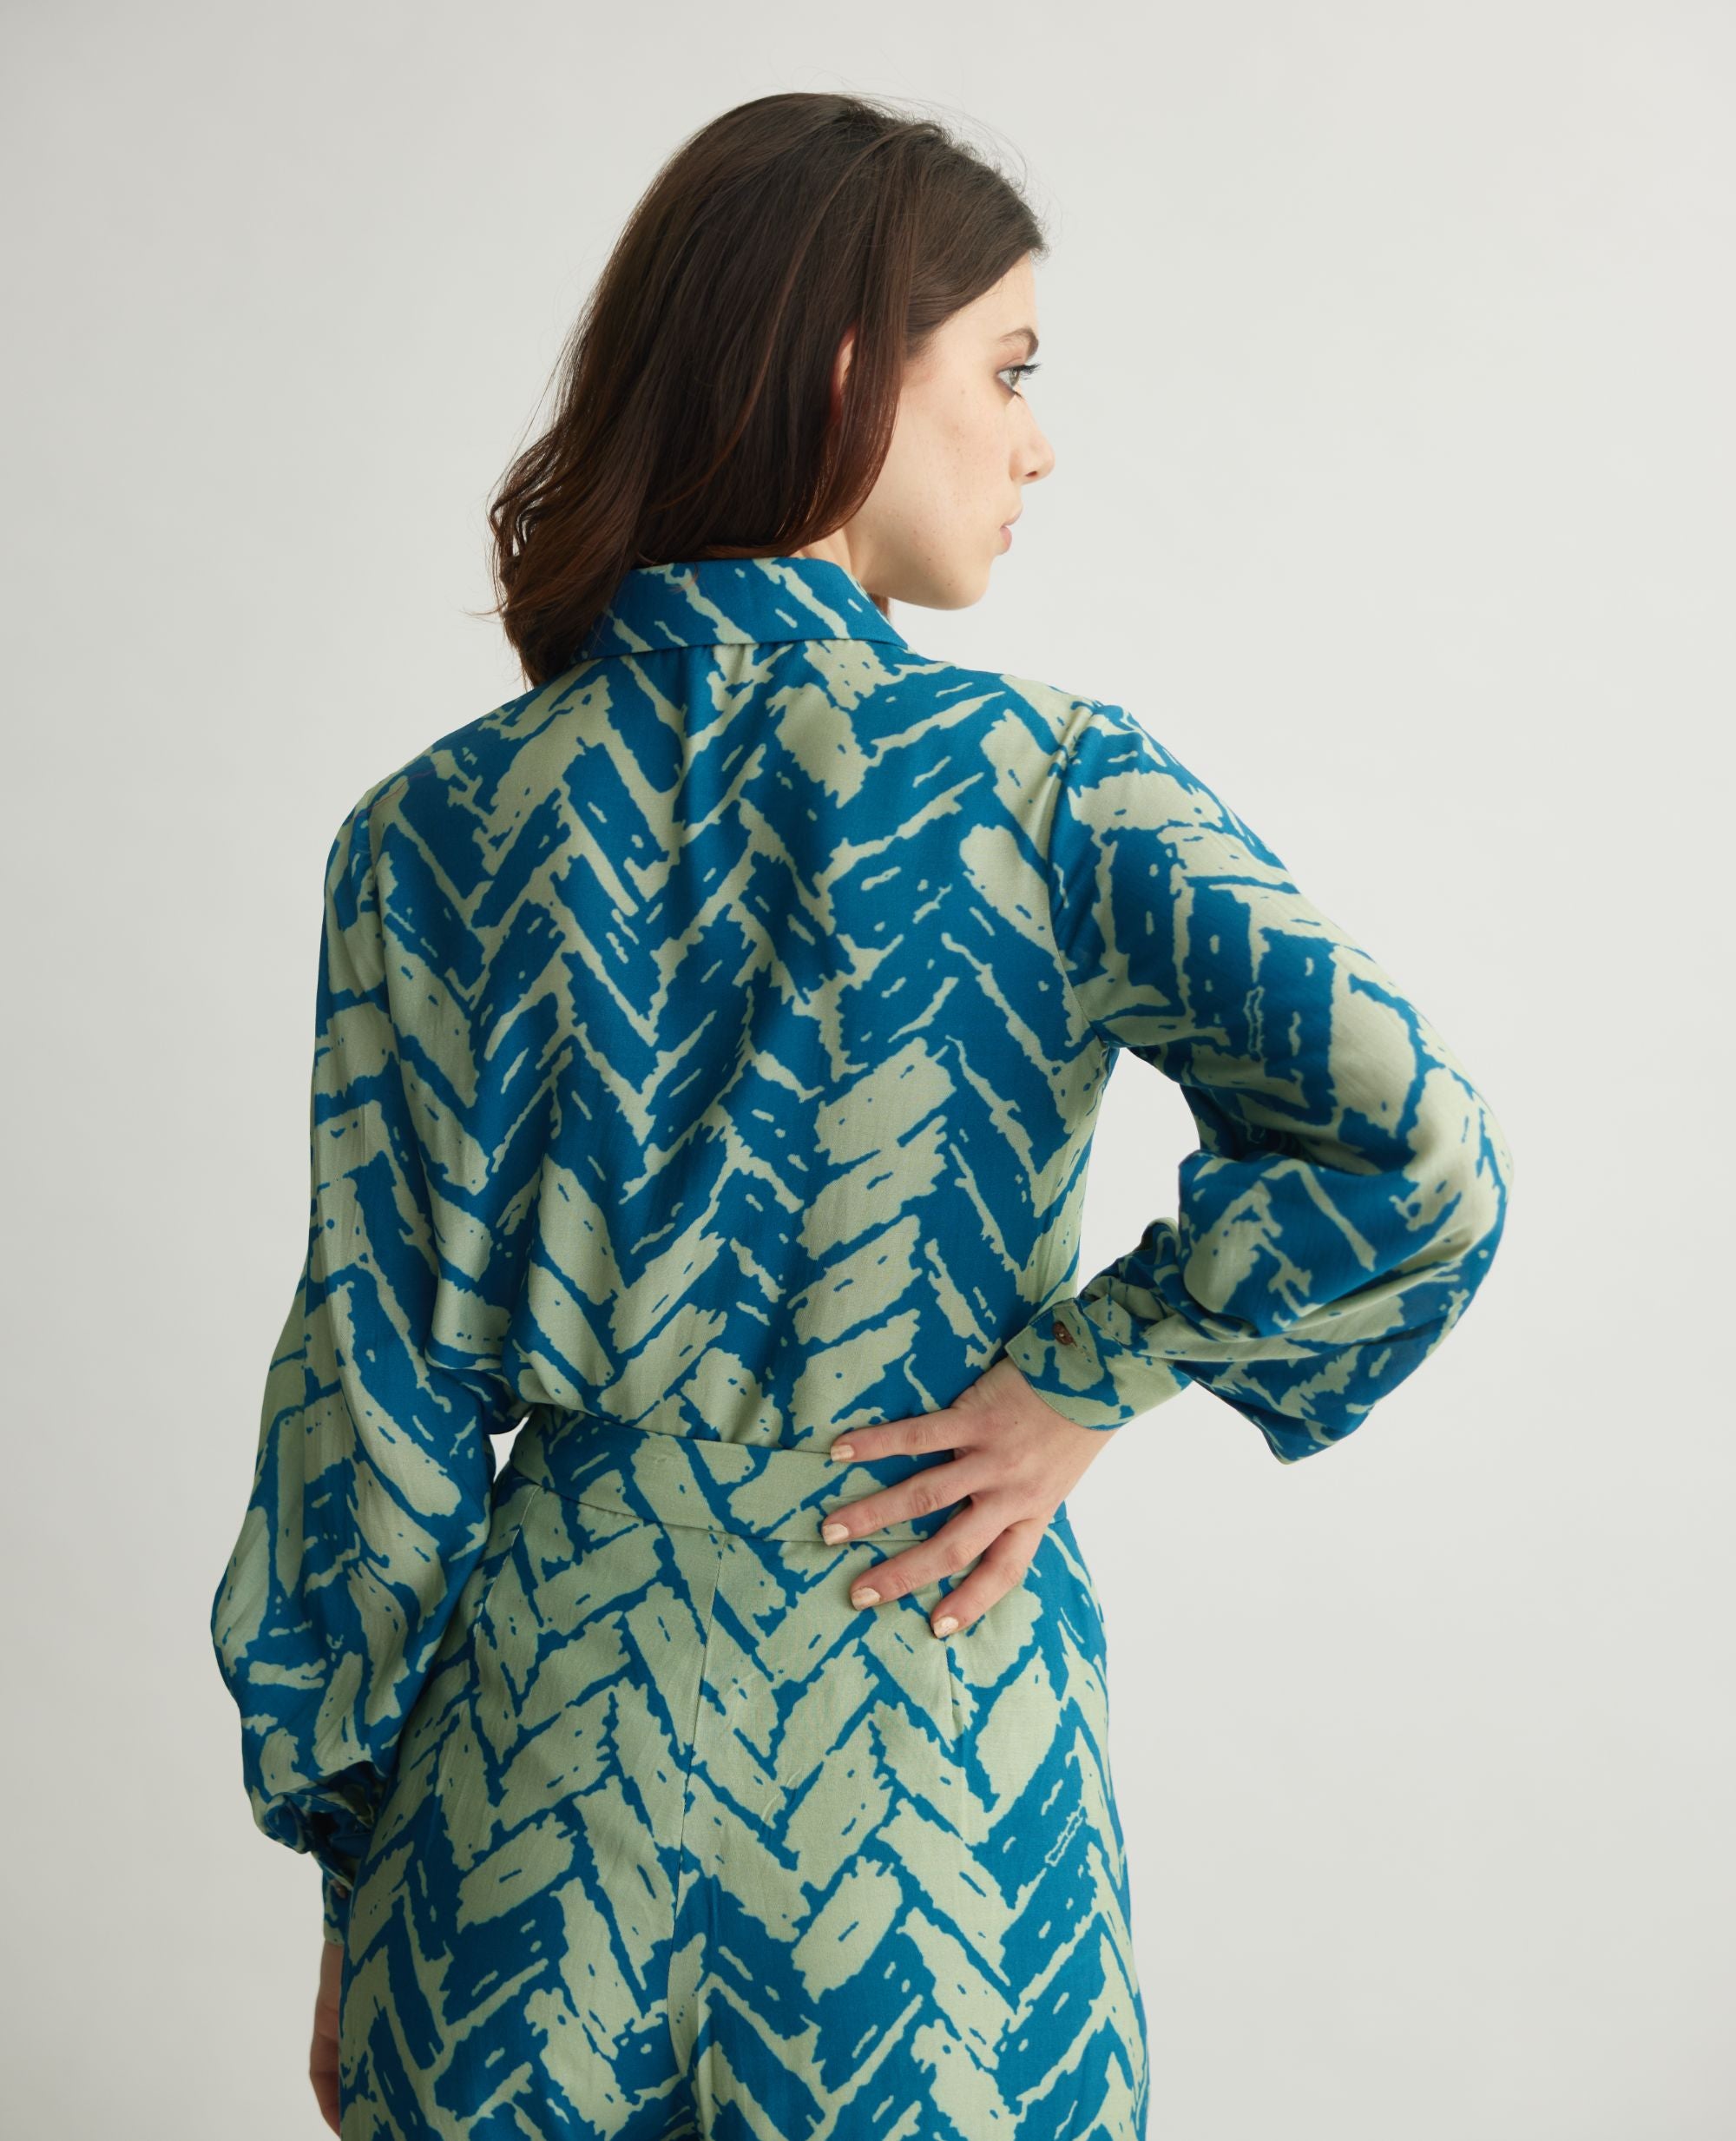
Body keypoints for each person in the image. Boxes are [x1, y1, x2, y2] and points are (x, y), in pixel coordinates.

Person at [208, 89, 1513, 2141]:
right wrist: (1084, 1381)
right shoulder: (1045, 784)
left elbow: (368, 1394)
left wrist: (359, 1866)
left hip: (524, 1792)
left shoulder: (427, 835)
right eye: (1007, 369)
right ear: (843, 370)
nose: (1034, 443)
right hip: (924, 1771)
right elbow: (1412, 1146)